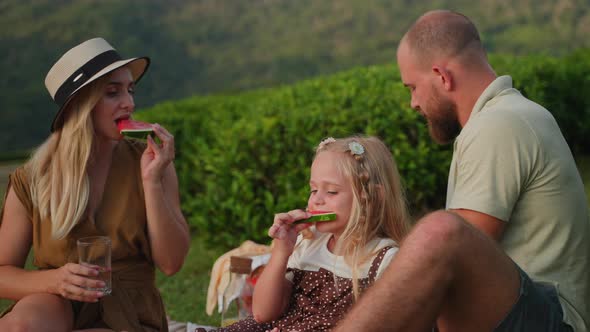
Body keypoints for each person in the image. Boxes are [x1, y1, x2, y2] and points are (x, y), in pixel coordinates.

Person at [334, 10, 590, 332]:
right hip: (526, 309)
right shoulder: (507, 116)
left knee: (440, 231)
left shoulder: (500, 125)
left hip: (553, 321)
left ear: (442, 76)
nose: (413, 103)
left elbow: (450, 257)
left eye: (412, 87)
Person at [0, 38, 190, 331]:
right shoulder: (32, 178)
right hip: (56, 302)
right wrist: (54, 280)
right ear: (79, 105)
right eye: (112, 93)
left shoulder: (151, 162)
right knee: (22, 324)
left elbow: (171, 263)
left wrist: (151, 182)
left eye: (130, 90)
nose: (130, 102)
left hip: (129, 311)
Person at [212, 136, 411, 332]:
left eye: (331, 192)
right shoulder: (308, 243)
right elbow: (263, 314)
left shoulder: (385, 260)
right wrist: (281, 252)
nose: (316, 200)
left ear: (372, 198)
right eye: (313, 190)